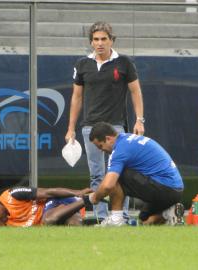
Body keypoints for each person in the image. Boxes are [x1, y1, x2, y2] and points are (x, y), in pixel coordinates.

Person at [65, 21, 144, 222]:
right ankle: (102, 218)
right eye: (96, 39)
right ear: (91, 42)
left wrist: (139, 120)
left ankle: (121, 217)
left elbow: (135, 91)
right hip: (90, 127)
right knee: (97, 175)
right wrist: (71, 128)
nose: (99, 43)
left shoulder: (124, 63)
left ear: (111, 40)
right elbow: (76, 97)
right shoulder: (82, 64)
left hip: (116, 127)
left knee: (119, 173)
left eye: (104, 39)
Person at [82, 122, 184, 226]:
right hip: (176, 191)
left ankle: (116, 219)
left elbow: (108, 185)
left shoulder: (119, 150)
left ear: (108, 139)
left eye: (100, 146)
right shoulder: (128, 138)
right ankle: (169, 213)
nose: (101, 150)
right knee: (144, 220)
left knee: (117, 175)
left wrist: (94, 198)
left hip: (165, 188)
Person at [0, 186, 92, 227]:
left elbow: (49, 192)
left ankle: (89, 199)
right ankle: (94, 221)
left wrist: (77, 192)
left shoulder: (12, 194)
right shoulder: (3, 223)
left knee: (48, 219)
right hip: (62, 214)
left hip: (55, 202)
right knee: (74, 226)